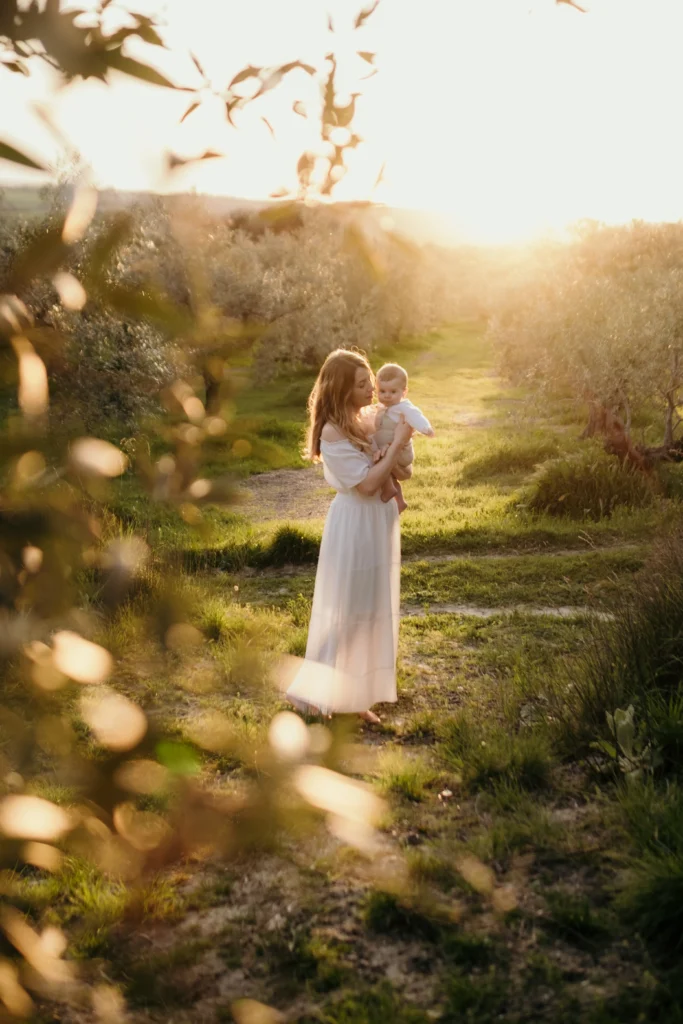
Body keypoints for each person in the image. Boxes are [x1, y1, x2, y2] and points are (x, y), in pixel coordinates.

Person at [285, 348, 413, 725]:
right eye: (361, 385)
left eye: (370, 381)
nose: (372, 389)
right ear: (341, 390)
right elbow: (369, 484)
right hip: (356, 523)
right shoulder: (332, 433)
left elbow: (401, 474)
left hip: (379, 521)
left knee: (370, 609)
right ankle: (309, 692)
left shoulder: (367, 421)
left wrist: (401, 443)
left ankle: (354, 696)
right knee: (348, 610)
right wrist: (392, 448)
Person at [372, 362, 435, 513]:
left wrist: (426, 429)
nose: (387, 395)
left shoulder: (404, 407)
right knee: (386, 471)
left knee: (380, 461)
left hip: (401, 452)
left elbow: (416, 416)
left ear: (404, 392)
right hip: (390, 448)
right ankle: (399, 501)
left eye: (393, 391)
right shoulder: (382, 408)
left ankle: (390, 492)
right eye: (382, 391)